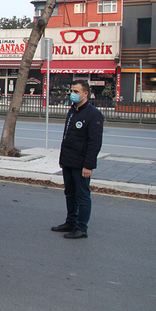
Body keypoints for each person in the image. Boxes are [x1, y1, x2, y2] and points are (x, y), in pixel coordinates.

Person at [52, 79, 104, 239]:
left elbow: (95, 143)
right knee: (70, 194)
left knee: (82, 196)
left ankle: (81, 228)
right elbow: (67, 137)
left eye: (76, 92)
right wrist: (62, 158)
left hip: (81, 164)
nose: (72, 94)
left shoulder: (94, 115)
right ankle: (71, 222)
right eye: (71, 91)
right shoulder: (73, 111)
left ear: (86, 93)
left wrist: (88, 165)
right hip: (68, 160)